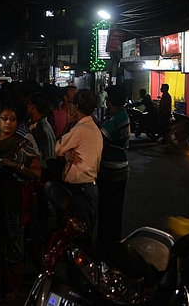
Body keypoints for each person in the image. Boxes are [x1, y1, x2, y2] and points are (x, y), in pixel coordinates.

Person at [0, 106, 41, 304]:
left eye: (12, 119)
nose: (8, 122)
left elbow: (37, 173)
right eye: (4, 118)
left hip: (13, 202)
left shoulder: (22, 145)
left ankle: (11, 288)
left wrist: (14, 165)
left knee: (13, 245)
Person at [54, 90, 103, 236]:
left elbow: (58, 148)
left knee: (79, 237)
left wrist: (68, 123)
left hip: (80, 191)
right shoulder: (93, 128)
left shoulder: (79, 129)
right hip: (90, 189)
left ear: (75, 107)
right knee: (84, 234)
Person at [97, 85, 131, 255]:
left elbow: (100, 140)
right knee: (113, 211)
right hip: (117, 170)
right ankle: (111, 246)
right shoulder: (119, 116)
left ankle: (109, 249)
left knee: (109, 211)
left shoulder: (117, 118)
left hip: (112, 171)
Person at [27, 92, 57, 228]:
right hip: (44, 172)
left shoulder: (41, 130)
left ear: (33, 107)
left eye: (29, 104)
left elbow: (43, 156)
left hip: (42, 173)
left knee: (40, 206)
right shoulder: (39, 125)